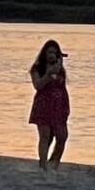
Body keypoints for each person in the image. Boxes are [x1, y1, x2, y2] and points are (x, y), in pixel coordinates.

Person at [28, 39, 70, 168]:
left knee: (62, 136)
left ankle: (55, 162)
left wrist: (66, 107)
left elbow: (63, 88)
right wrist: (48, 73)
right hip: (44, 105)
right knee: (45, 137)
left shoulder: (60, 70)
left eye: (54, 53)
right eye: (49, 52)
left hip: (58, 106)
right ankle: (43, 165)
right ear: (44, 53)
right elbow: (38, 85)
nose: (52, 55)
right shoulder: (37, 68)